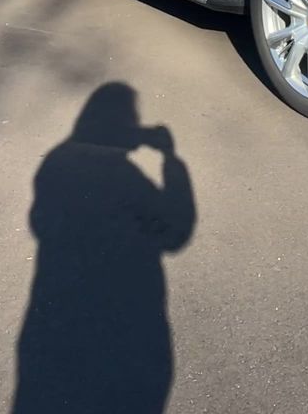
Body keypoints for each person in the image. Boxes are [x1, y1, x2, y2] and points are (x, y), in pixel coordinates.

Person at [12, 83, 194, 413]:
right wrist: (170, 158)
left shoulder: (56, 161)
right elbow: (175, 235)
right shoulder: (121, 173)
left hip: (51, 329)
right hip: (129, 328)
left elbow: (38, 221)